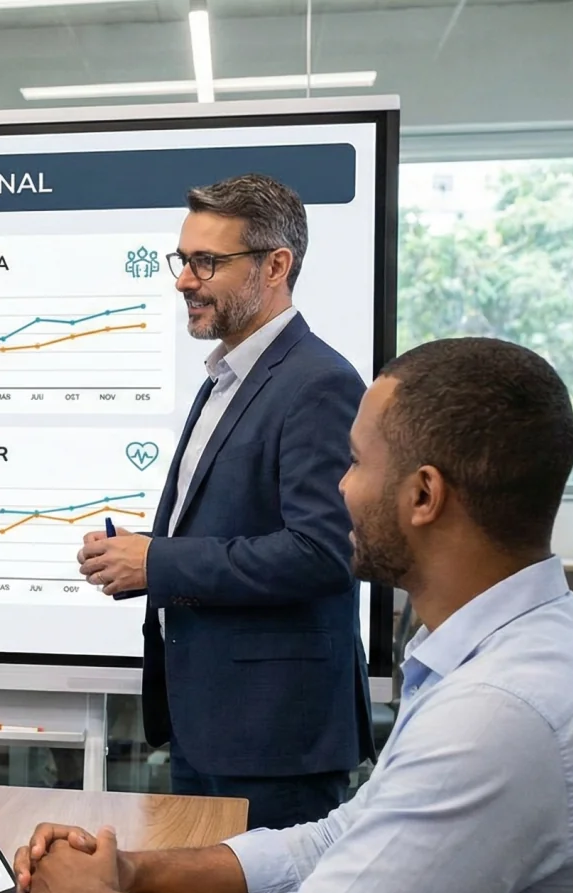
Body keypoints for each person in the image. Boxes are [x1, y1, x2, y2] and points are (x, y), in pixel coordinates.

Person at [21, 338, 573, 893]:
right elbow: (335, 842)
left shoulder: (503, 714)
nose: (338, 488)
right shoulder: (506, 649)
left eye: (354, 463)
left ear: (424, 496)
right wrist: (131, 871)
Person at [75, 173, 370, 829]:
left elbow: (323, 551)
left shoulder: (317, 381)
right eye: (183, 261)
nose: (184, 280)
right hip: (205, 722)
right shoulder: (228, 377)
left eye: (207, 262)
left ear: (276, 265)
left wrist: (161, 564)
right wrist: (136, 560)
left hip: (274, 739)